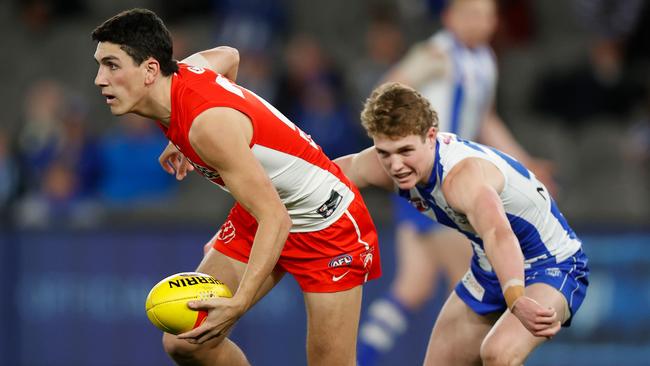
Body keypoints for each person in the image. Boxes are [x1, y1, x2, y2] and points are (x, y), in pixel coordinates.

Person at [91, 8, 381, 366]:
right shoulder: (185, 72)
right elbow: (230, 54)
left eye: (112, 65)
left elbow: (276, 218)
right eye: (99, 65)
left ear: (151, 69)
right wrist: (185, 140)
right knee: (186, 342)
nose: (99, 79)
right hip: (265, 209)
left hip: (327, 223)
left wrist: (240, 302)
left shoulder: (207, 128)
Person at [355, 1, 556, 364]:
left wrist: (525, 162)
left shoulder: (484, 60)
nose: (482, 22)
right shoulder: (437, 53)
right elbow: (386, 94)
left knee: (412, 287)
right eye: (472, 14)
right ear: (450, 17)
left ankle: (362, 358)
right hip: (437, 185)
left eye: (488, 15)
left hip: (454, 181)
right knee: (470, 286)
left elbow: (485, 119)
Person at [335, 82, 589, 365]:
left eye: (405, 151)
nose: (395, 165)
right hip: (488, 267)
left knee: (498, 353)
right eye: (385, 152)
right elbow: (318, 176)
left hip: (550, 264)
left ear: (430, 136)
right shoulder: (382, 166)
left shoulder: (461, 177)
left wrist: (516, 298)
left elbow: (498, 233)